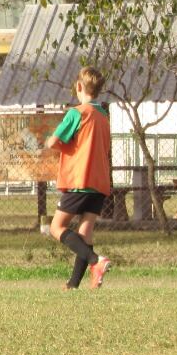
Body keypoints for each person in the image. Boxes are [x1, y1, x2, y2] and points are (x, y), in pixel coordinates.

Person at [44, 67, 112, 290]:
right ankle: (73, 284)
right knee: (85, 232)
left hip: (79, 180)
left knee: (56, 227)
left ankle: (96, 261)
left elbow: (54, 142)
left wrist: (53, 144)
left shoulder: (77, 113)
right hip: (100, 181)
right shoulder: (103, 116)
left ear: (79, 87)